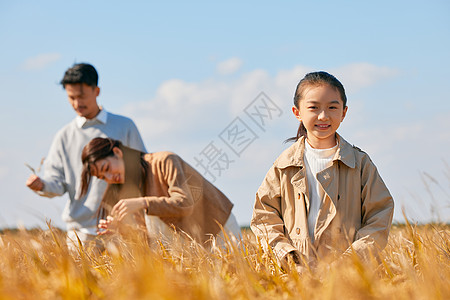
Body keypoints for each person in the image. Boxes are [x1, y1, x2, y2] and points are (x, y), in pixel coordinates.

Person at [251, 71, 394, 270]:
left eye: (332, 107)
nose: (323, 116)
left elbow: (379, 216)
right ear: (297, 112)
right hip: (295, 277)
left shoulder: (359, 164)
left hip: (351, 277)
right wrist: (289, 259)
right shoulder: (283, 165)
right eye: (313, 107)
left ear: (344, 112)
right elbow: (263, 217)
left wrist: (348, 262)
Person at [25, 63, 146, 248]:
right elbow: (56, 182)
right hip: (80, 233)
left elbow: (144, 168)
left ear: (96, 91)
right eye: (71, 97)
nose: (76, 103)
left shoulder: (124, 126)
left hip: (123, 229)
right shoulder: (64, 136)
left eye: (81, 96)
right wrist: (42, 185)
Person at [79, 137, 241, 248]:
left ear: (118, 153)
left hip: (219, 231)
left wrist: (143, 203)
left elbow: (185, 203)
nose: (109, 177)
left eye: (107, 168)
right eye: (102, 177)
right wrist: (121, 229)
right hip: (193, 245)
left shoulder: (165, 161)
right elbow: (149, 239)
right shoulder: (131, 191)